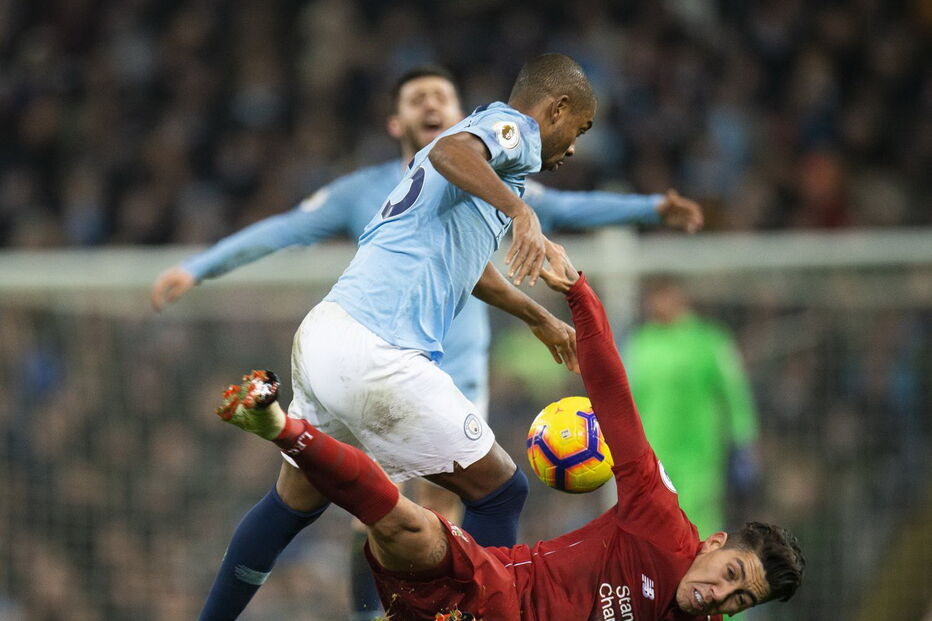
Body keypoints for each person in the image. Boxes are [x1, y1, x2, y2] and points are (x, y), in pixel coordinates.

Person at [152, 64, 703, 619]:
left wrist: (535, 314)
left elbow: (468, 260)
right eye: (579, 129)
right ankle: (478, 612)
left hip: (326, 333)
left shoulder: (479, 171)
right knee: (499, 491)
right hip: (378, 352)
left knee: (294, 501)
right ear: (556, 109)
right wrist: (522, 213)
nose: (574, 147)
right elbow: (450, 154)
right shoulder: (510, 131)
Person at [213, 247, 804, 621]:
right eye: (730, 577)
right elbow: (615, 401)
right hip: (488, 584)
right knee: (407, 525)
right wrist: (578, 293)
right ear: (714, 544)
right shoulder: (660, 523)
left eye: (738, 602)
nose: (718, 598)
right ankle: (280, 426)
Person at [625, 278, 760, 538]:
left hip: (700, 453)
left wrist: (744, 437)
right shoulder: (640, 344)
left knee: (699, 521)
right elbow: (626, 399)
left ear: (678, 296)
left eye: (661, 296)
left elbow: (734, 391)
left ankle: (702, 574)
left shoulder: (710, 341)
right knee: (653, 523)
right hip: (652, 453)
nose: (655, 305)